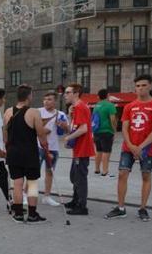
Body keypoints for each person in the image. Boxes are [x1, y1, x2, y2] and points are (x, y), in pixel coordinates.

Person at [106, 75, 152, 221]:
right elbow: (124, 128)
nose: (140, 88)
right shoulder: (129, 106)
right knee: (122, 174)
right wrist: (132, 146)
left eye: (143, 85)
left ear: (150, 86)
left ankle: (143, 208)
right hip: (129, 147)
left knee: (146, 176)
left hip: (147, 147)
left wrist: (141, 146)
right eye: (138, 86)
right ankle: (120, 208)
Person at [4, 85, 49, 223]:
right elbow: (41, 134)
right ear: (29, 96)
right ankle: (32, 214)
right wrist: (45, 147)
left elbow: (5, 134)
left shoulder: (7, 112)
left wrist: (8, 146)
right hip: (29, 153)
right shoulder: (34, 112)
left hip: (13, 152)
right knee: (32, 183)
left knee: (17, 183)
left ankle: (18, 214)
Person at [62, 84, 95, 215]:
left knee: (80, 177)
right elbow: (76, 127)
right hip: (78, 148)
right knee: (75, 176)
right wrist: (70, 116)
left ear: (76, 93)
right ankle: (76, 200)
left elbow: (83, 129)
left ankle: (82, 206)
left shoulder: (80, 106)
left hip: (83, 148)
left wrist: (68, 137)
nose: (65, 95)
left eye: (68, 92)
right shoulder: (76, 108)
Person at [38, 92, 68, 206]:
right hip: (39, 146)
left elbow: (67, 130)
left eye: (49, 99)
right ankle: (27, 194)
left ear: (54, 101)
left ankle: (47, 196)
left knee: (50, 172)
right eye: (45, 99)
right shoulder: (38, 112)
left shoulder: (60, 114)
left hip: (53, 148)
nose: (46, 101)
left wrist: (63, 125)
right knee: (33, 173)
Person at [92, 89, 117, 177]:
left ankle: (97, 169)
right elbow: (113, 119)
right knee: (106, 151)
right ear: (107, 95)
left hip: (96, 131)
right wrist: (114, 130)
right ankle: (105, 171)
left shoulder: (96, 106)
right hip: (107, 131)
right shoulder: (110, 105)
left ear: (99, 96)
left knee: (98, 150)